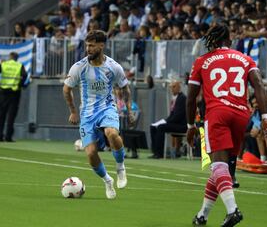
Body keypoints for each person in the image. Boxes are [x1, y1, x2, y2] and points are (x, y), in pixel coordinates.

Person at [186, 24, 267, 227]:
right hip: (242, 115)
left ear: (211, 41)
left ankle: (233, 211)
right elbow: (259, 84)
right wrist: (265, 115)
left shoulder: (202, 61)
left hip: (217, 114)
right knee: (222, 167)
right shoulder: (245, 58)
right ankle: (202, 215)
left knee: (218, 165)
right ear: (229, 41)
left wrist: (190, 125)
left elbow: (190, 99)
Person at [63, 30, 134, 200]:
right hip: (87, 114)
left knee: (111, 133)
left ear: (101, 46)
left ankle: (120, 168)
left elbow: (125, 89)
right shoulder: (79, 67)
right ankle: (107, 180)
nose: (88, 48)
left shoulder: (113, 67)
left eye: (92, 45)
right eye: (87, 45)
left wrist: (129, 111)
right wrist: (73, 111)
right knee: (90, 153)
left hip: (107, 108)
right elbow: (66, 89)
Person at [0, 52, 27, 142]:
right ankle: (8, 137)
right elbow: (25, 75)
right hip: (14, 92)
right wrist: (20, 85)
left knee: (1, 114)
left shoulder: (3, 64)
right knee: (11, 115)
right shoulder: (19, 65)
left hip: (3, 91)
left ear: (10, 57)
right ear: (16, 58)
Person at [149, 79, 187, 159]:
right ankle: (155, 151)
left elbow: (178, 116)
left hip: (181, 125)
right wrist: (165, 121)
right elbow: (172, 115)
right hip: (175, 122)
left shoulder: (182, 98)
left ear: (178, 88)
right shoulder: (175, 98)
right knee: (153, 127)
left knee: (161, 127)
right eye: (171, 87)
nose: (171, 89)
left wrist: (166, 122)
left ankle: (160, 153)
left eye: (173, 87)